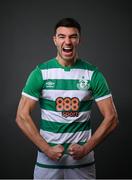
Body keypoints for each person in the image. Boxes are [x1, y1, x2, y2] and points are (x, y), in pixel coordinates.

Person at [16, 17, 118, 179]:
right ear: (55, 40)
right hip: (47, 161)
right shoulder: (40, 72)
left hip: (82, 162)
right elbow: (22, 116)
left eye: (72, 36)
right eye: (62, 36)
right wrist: (47, 149)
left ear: (79, 40)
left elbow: (112, 118)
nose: (67, 41)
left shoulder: (93, 74)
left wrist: (86, 148)